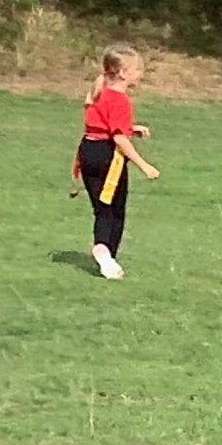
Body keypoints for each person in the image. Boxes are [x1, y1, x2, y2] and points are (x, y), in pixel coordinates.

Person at [74, 43, 161, 280]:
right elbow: (118, 138)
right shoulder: (120, 99)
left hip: (88, 151)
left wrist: (132, 128)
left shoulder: (98, 91)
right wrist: (145, 165)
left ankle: (105, 257)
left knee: (101, 209)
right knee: (115, 210)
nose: (140, 74)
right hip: (107, 156)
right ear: (122, 72)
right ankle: (105, 253)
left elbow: (102, 124)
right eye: (137, 70)